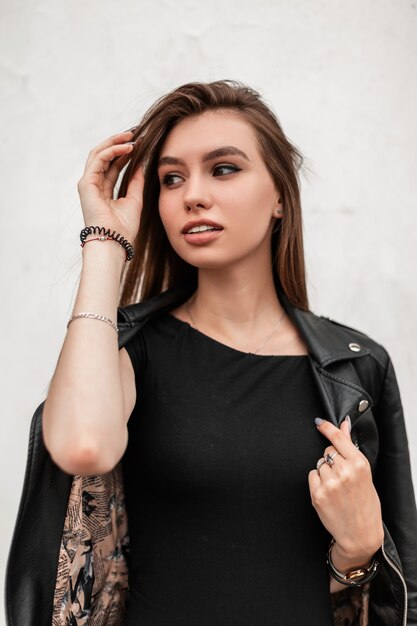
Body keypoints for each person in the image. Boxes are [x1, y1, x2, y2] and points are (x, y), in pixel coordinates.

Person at [6, 80, 417, 625]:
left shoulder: (354, 369)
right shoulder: (137, 353)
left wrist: (358, 550)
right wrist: (105, 241)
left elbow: (384, 595)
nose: (192, 194)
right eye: (172, 178)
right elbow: (82, 446)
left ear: (279, 196)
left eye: (223, 168)